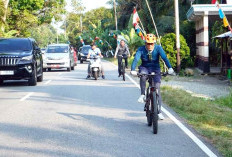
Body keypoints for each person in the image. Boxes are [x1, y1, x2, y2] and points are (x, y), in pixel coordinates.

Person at [130, 34, 175, 119]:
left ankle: (159, 112)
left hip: (155, 68)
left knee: (157, 89)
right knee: (142, 76)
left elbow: (164, 58)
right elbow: (136, 59)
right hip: (145, 67)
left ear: (154, 43)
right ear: (145, 43)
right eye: (148, 43)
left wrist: (170, 68)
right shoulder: (141, 49)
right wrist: (132, 69)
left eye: (151, 44)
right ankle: (143, 94)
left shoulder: (158, 48)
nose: (150, 45)